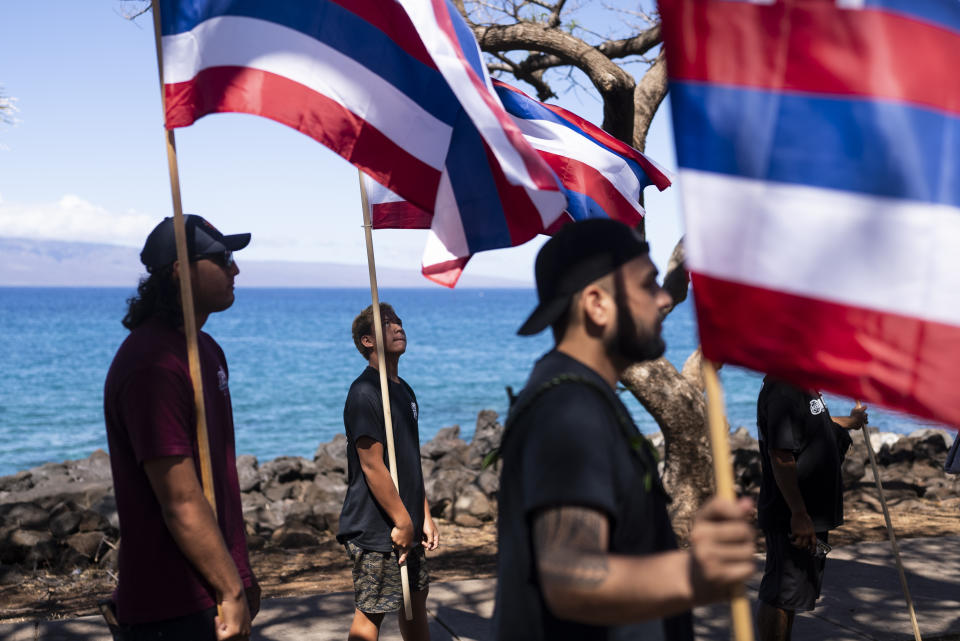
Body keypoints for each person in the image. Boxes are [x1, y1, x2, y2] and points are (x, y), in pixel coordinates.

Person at [494, 218, 757, 641]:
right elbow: (570, 579)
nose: (661, 299)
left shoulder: (585, 397)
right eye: (648, 285)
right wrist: (695, 572)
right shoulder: (569, 408)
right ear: (597, 304)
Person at [103, 215, 259, 641]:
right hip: (171, 608)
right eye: (223, 258)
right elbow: (180, 500)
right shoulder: (152, 363)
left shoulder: (206, 351)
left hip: (215, 587)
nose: (235, 269)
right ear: (180, 270)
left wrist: (240, 579)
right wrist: (231, 591)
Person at [337, 303, 440, 641]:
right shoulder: (364, 392)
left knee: (414, 603)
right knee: (372, 613)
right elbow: (372, 466)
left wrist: (423, 514)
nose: (398, 327)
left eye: (398, 321)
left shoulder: (404, 391)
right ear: (367, 341)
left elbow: (410, 460)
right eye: (387, 324)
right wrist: (401, 520)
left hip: (407, 521)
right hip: (377, 526)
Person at [755, 376, 868, 641]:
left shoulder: (803, 385)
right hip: (792, 516)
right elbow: (781, 455)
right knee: (780, 594)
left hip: (811, 514)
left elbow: (814, 426)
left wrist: (850, 422)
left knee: (792, 595)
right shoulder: (785, 386)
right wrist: (798, 513)